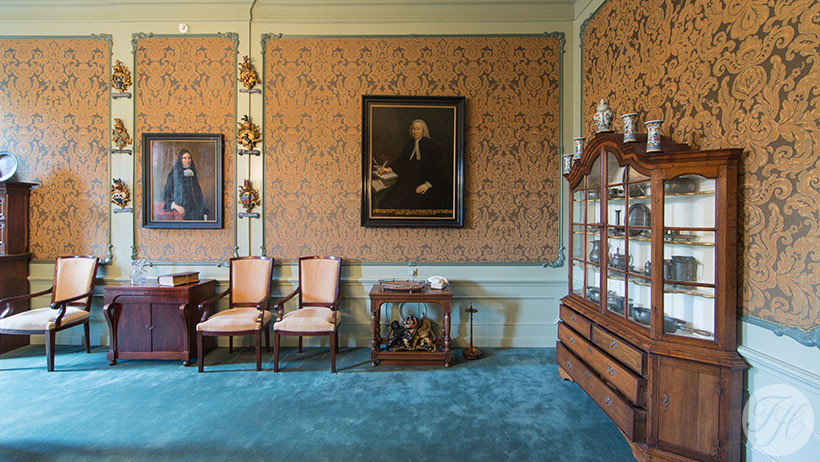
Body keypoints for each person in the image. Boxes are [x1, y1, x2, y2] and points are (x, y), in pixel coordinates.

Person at [377, 119, 450, 212]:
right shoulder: (409, 143)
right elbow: (401, 161)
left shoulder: (432, 145)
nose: (415, 131)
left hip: (426, 181)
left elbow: (438, 169)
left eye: (418, 129)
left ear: (423, 130)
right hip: (408, 180)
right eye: (413, 129)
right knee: (389, 201)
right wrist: (389, 169)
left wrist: (428, 184)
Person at [162, 149, 209, 220]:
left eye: (189, 158)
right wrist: (176, 206)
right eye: (185, 158)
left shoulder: (192, 173)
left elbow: (199, 194)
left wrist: (204, 213)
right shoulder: (174, 173)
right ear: (180, 159)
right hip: (180, 212)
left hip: (194, 211)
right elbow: (166, 195)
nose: (187, 160)